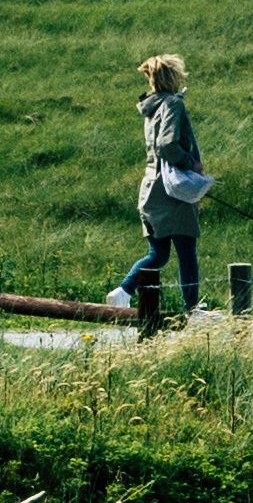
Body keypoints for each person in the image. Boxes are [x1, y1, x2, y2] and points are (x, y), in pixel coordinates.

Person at [110, 54, 208, 312]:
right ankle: (192, 309)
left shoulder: (151, 107)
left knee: (159, 254)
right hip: (172, 190)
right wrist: (191, 164)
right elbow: (167, 146)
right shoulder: (174, 104)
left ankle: (123, 292)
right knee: (187, 252)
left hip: (150, 187)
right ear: (174, 78)